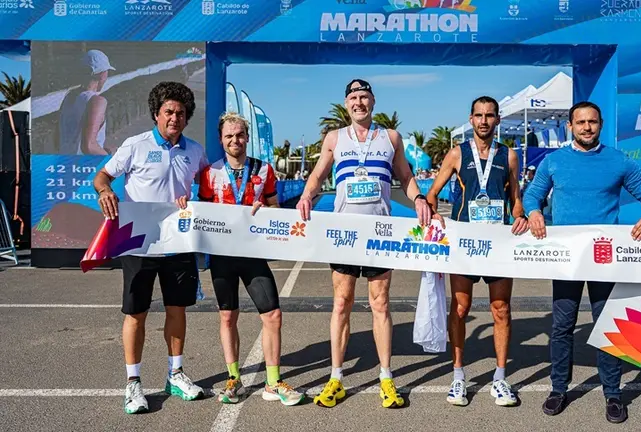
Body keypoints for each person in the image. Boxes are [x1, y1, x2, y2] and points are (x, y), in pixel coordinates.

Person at [522, 101, 641, 424]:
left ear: (600, 124)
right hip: (567, 259)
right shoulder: (554, 161)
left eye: (592, 122)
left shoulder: (618, 160)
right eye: (580, 122)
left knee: (609, 325)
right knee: (562, 326)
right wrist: (533, 211)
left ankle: (613, 394)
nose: (587, 127)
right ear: (570, 126)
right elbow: (532, 195)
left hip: (605, 258)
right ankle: (559, 389)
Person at [296, 79, 432, 408]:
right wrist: (306, 195)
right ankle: (336, 378)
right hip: (344, 235)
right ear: (347, 104)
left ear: (373, 102)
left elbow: (405, 176)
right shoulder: (334, 138)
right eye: (354, 97)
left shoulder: (391, 137)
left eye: (364, 97)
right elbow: (318, 174)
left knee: (380, 304)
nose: (359, 102)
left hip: (379, 234)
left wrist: (419, 199)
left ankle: (386, 377)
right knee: (341, 303)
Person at [93, 81, 209, 414]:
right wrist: (105, 192)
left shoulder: (195, 151)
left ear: (187, 117)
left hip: (178, 244)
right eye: (168, 111)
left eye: (181, 113)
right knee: (136, 314)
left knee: (177, 310)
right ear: (156, 114)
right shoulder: (136, 145)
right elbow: (102, 176)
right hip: (139, 243)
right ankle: (133, 383)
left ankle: (176, 374)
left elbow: (209, 188)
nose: (175, 118)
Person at [426, 96, 528, 407]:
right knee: (460, 309)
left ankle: (500, 378)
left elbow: (515, 197)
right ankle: (458, 376)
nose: (484, 121)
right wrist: (434, 215)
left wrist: (521, 214)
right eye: (479, 115)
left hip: (498, 245)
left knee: (501, 309)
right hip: (465, 246)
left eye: (490, 115)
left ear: (497, 120)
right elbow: (432, 194)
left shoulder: (509, 155)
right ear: (471, 119)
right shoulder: (457, 153)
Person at [196, 112, 304, 406]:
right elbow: (203, 214)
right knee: (227, 316)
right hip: (223, 255)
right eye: (229, 136)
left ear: (247, 137)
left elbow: (275, 207)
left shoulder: (264, 169)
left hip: (253, 254)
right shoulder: (210, 173)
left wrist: (266, 210)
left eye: (240, 135)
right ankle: (233, 379)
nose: (235, 140)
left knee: (273, 315)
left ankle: (273, 382)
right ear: (221, 140)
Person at [58, 49, 114, 155]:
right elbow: (88, 146)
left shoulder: (69, 97)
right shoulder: (97, 101)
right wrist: (109, 158)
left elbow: (57, 138)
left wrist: (102, 149)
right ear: (102, 74)